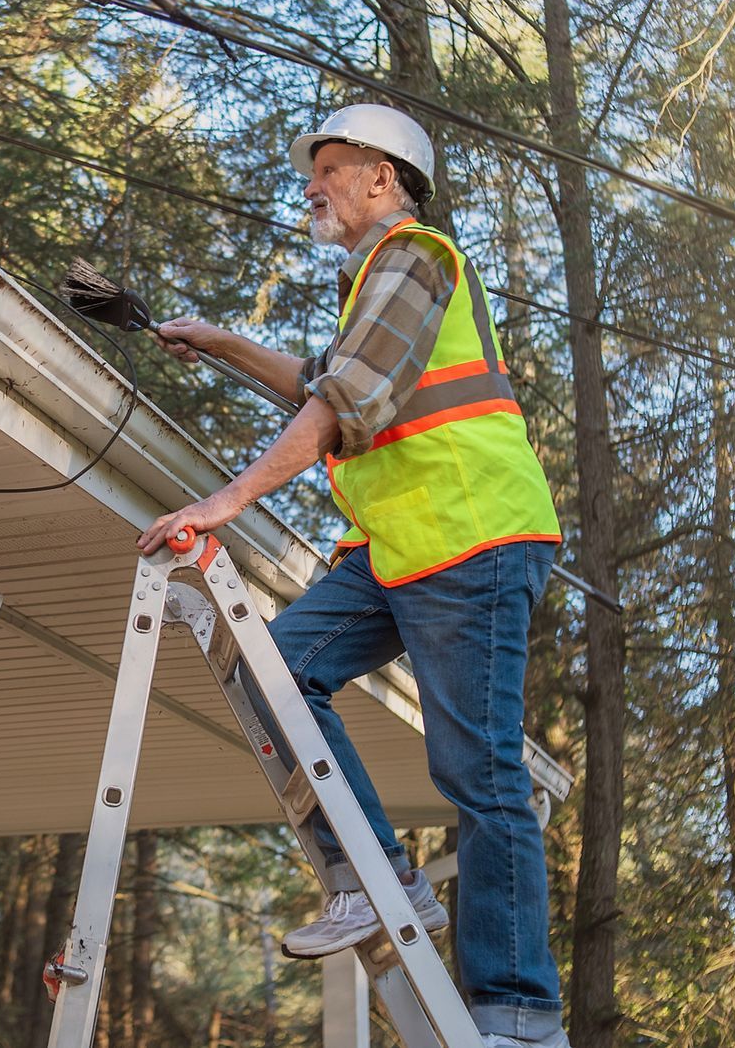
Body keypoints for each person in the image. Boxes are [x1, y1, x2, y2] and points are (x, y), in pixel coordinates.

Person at [135, 104, 567, 1048]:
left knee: (478, 772)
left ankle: (520, 1016)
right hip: (404, 548)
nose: (312, 185)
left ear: (382, 176)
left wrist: (226, 501)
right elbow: (319, 379)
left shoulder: (418, 257)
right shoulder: (374, 279)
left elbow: (344, 401)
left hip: (474, 537)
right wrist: (220, 341)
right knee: (273, 670)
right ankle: (377, 881)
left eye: (329, 168)